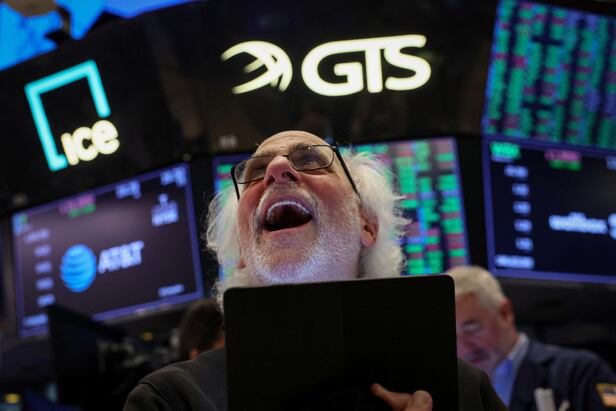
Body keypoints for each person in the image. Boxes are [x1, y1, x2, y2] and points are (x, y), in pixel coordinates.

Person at [124, 130, 506, 411]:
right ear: (241, 248)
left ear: (366, 224)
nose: (277, 169)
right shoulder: (172, 399)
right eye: (256, 171)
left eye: (310, 160)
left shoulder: (465, 392)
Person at [447, 265, 616, 411]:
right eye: (452, 337)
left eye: (471, 329)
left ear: (505, 313)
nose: (463, 347)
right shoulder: (456, 391)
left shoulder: (580, 372)